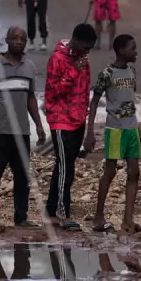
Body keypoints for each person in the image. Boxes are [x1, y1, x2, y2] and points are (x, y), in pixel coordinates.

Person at [0, 26, 44, 228]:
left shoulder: (29, 67)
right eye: (15, 38)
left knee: (22, 176)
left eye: (22, 38)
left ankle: (21, 218)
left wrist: (38, 125)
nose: (18, 41)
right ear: (7, 40)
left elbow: (30, 98)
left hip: (21, 132)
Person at [85, 34, 141, 234]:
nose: (136, 52)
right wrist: (89, 131)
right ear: (121, 51)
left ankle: (128, 219)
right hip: (115, 130)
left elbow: (130, 102)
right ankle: (98, 216)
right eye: (132, 48)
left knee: (134, 172)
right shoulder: (107, 73)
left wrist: (139, 130)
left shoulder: (132, 71)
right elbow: (94, 102)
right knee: (110, 172)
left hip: (131, 129)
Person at [45, 23, 98, 230]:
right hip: (60, 120)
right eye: (85, 48)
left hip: (77, 120)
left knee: (65, 166)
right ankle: (62, 213)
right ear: (75, 41)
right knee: (65, 167)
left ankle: (51, 210)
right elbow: (52, 93)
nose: (87, 52)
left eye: (89, 49)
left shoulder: (84, 60)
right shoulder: (57, 59)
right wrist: (72, 73)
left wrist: (85, 120)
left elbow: (84, 90)